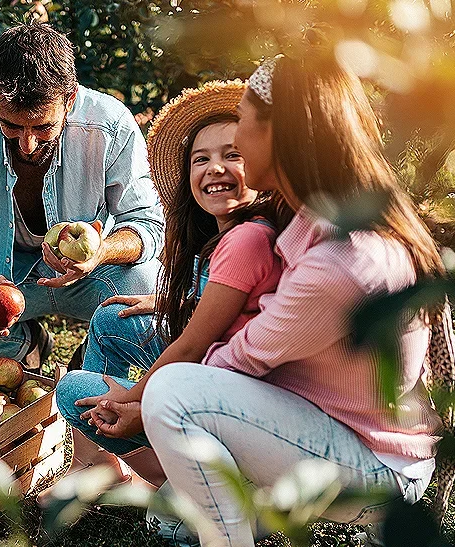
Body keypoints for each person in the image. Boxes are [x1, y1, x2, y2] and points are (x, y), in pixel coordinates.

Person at [82, 54, 447, 547]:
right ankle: (230, 509)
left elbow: (241, 358)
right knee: (171, 383)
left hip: (376, 466)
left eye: (245, 126)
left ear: (280, 137)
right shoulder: (313, 216)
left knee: (174, 391)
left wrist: (140, 403)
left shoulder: (340, 260)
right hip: (330, 426)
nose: (236, 141)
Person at [51, 80, 292, 499]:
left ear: (259, 162)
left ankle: (177, 481)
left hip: (224, 391)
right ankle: (95, 463)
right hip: (215, 374)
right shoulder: (227, 236)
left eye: (232, 155)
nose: (215, 168)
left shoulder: (247, 239)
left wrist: (133, 405)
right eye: (201, 159)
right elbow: (232, 305)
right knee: (110, 317)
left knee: (73, 391)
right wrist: (169, 301)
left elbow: (193, 347)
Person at [0, 22, 164, 367]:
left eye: (43, 127)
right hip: (3, 273)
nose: (28, 144)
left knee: (145, 288)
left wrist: (100, 252)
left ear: (70, 99)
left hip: (89, 275)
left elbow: (147, 222)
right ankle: (27, 345)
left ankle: (93, 357)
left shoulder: (111, 125)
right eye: (12, 126)